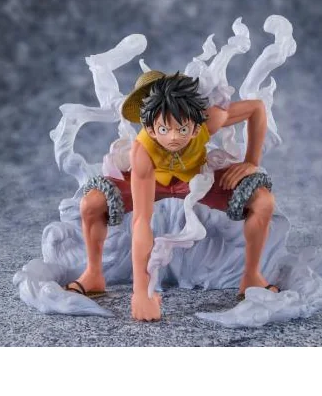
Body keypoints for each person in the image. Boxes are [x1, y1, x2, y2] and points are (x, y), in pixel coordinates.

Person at [64, 71, 280, 321]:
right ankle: (93, 275)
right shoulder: (142, 150)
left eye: (183, 128)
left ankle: (251, 276)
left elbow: (256, 108)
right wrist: (142, 293)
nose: (174, 137)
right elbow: (141, 221)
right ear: (150, 128)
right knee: (92, 203)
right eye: (164, 129)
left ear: (197, 125)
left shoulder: (209, 120)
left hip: (197, 181)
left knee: (263, 201)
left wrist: (251, 161)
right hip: (152, 182)